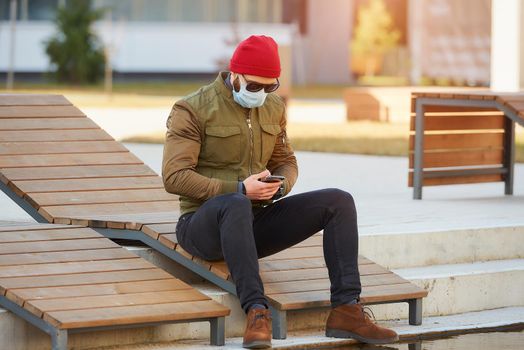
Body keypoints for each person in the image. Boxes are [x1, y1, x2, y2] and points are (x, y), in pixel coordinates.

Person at [162, 35, 398, 349]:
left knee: (338, 201)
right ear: (235, 76)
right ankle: (257, 312)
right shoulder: (192, 109)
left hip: (253, 222)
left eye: (269, 87)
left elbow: (286, 161)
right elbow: (174, 177)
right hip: (202, 226)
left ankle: (346, 310)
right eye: (254, 87)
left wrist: (280, 185)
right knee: (234, 203)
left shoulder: (274, 107)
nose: (261, 94)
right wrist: (239, 189)